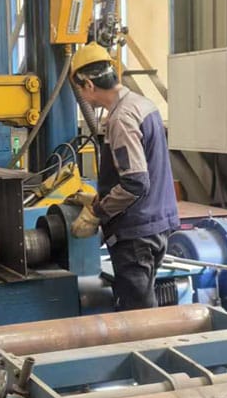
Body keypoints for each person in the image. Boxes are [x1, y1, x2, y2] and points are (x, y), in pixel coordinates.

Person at [66, 42, 179, 309]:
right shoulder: (143, 104)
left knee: (138, 314)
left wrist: (98, 212)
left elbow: (135, 182)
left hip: (136, 233)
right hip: (155, 223)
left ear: (89, 85)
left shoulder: (121, 118)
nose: (83, 98)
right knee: (141, 302)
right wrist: (99, 197)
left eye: (80, 91)